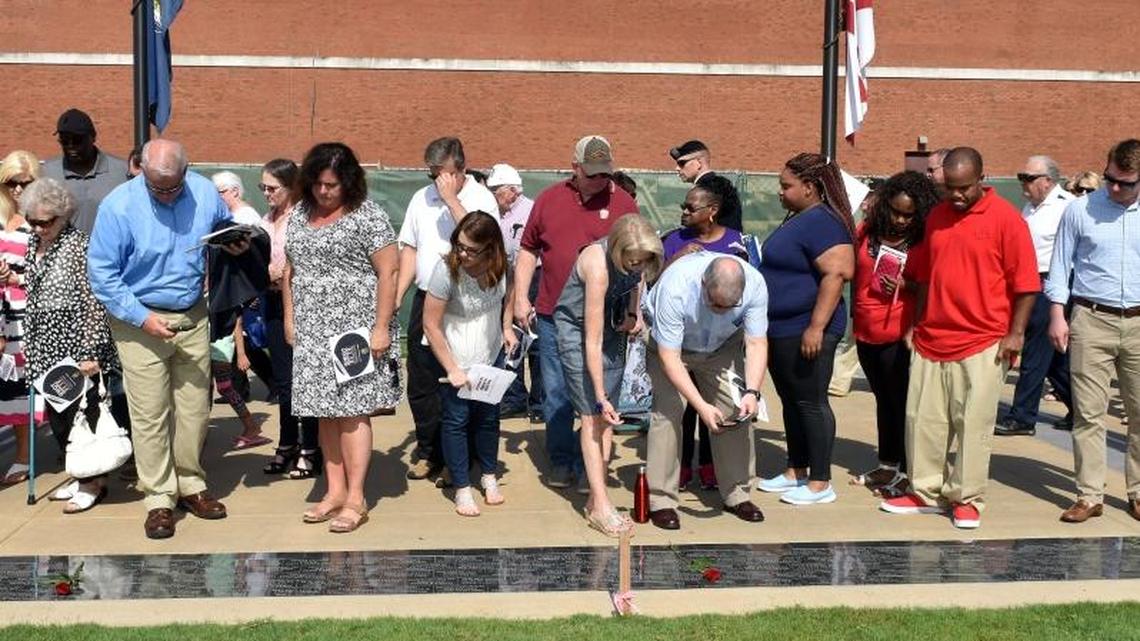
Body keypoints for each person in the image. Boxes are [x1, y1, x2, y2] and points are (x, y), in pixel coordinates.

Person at [88, 139, 245, 539]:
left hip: (192, 312)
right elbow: (102, 274)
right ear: (140, 169)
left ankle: (191, 483)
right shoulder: (118, 206)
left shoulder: (205, 191)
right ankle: (159, 497)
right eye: (158, 187)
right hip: (138, 315)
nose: (167, 193)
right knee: (150, 412)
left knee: (194, 407)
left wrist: (234, 243)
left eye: (174, 185)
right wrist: (142, 319)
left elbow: (221, 233)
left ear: (186, 171)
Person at [880, 147, 1038, 530]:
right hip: (933, 337)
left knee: (972, 423)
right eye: (950, 187)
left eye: (964, 188)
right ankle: (925, 492)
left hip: (984, 340)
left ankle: (966, 497)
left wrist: (1015, 333)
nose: (957, 195)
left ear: (982, 180)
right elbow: (923, 277)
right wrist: (915, 323)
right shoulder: (935, 217)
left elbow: (1027, 285)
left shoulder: (1007, 220)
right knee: (923, 419)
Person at [284, 142, 401, 534]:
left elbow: (390, 272)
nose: (323, 192)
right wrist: (290, 317)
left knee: (352, 412)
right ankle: (333, 491)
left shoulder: (368, 216)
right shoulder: (300, 213)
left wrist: (381, 327)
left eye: (331, 185)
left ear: (348, 182)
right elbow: (290, 270)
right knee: (323, 412)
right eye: (317, 183)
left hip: (353, 329)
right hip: (311, 328)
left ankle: (356, 497)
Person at [513, 135, 638, 491]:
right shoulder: (550, 200)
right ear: (575, 168)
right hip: (555, 314)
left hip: (608, 320)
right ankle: (562, 459)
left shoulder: (623, 203)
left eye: (605, 173)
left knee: (600, 395)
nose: (601, 180)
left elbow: (636, 262)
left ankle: (591, 467)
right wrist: (521, 297)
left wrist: (632, 309)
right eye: (593, 173)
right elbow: (528, 251)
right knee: (557, 393)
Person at [1046, 139, 1140, 524]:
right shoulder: (1081, 209)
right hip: (1091, 317)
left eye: (1125, 183)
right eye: (1110, 179)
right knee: (1088, 413)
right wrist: (1057, 313)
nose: (1114, 188)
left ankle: (1137, 493)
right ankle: (1089, 494)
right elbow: (1059, 264)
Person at [396, 137, 498, 483]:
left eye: (444, 174)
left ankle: (459, 461)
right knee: (422, 382)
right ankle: (429, 452)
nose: (437, 183)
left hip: (467, 303)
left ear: (461, 169)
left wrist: (452, 199)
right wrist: (398, 296)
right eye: (432, 176)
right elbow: (409, 249)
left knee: (462, 383)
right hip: (428, 297)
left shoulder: (481, 198)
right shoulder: (419, 200)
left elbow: (483, 239)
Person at [756, 153, 855, 506]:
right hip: (781, 327)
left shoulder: (824, 222)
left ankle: (820, 481)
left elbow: (838, 273)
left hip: (807, 327)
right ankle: (796, 468)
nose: (780, 192)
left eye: (787, 185)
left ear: (810, 188)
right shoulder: (799, 218)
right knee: (790, 400)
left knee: (811, 402)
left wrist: (816, 326)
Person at [643, 254, 769, 530]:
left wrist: (752, 392)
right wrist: (700, 405)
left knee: (736, 410)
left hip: (721, 348)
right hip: (671, 348)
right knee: (669, 411)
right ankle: (661, 500)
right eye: (714, 303)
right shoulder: (676, 286)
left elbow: (757, 343)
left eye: (729, 306)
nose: (721, 310)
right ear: (702, 283)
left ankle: (738, 494)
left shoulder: (756, 285)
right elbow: (669, 358)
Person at [555, 214, 662, 536]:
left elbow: (636, 283)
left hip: (610, 329)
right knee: (592, 415)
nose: (637, 267)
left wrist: (633, 313)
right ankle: (600, 506)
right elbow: (592, 339)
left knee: (608, 420)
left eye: (643, 261)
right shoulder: (597, 265)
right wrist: (600, 395)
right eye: (632, 261)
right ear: (617, 251)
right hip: (578, 334)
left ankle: (595, 490)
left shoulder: (636, 263)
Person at [20, 178, 120, 513]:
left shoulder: (79, 246)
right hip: (43, 344)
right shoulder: (33, 246)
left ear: (63, 216)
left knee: (83, 414)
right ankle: (81, 476)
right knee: (60, 416)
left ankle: (94, 481)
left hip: (75, 343)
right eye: (32, 221)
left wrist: (91, 350)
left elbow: (93, 300)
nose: (38, 228)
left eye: (45, 222)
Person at [849, 171, 939, 497]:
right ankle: (887, 464)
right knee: (883, 402)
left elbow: (932, 286)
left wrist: (905, 285)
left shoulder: (923, 241)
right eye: (896, 211)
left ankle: (906, 471)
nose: (901, 220)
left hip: (899, 333)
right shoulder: (866, 231)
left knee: (902, 404)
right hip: (865, 328)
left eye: (908, 214)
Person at [422, 212, 515, 516]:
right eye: (459, 245)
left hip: (491, 353)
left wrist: (506, 327)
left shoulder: (501, 265)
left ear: (491, 248)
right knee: (457, 420)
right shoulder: (446, 271)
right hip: (456, 356)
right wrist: (452, 368)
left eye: (470, 249)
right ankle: (462, 487)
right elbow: (431, 325)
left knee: (489, 418)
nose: (461, 253)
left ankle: (488, 477)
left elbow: (508, 296)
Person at [662, 177, 746, 491]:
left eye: (690, 207)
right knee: (683, 406)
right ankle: (682, 465)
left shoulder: (737, 241)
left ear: (711, 211)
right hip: (681, 340)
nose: (683, 212)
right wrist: (677, 258)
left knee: (718, 405)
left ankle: (711, 465)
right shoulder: (673, 240)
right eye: (683, 206)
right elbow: (655, 284)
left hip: (723, 342)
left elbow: (747, 286)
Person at [994, 156, 1075, 436]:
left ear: (1048, 181)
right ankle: (1080, 409)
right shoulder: (1030, 207)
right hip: (1027, 282)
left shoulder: (1067, 207)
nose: (1023, 184)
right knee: (1053, 360)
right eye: (1021, 177)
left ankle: (1022, 417)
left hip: (1049, 283)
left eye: (1028, 178)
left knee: (1034, 352)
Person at [258, 159, 321, 479]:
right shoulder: (265, 219)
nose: (266, 193)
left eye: (272, 188)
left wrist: (283, 274)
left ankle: (311, 448)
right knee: (284, 382)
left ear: (292, 187)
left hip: (299, 305)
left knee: (304, 380)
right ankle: (287, 444)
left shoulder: (305, 218)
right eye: (262, 187)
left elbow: (308, 265)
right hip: (270, 301)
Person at [487, 163, 543, 422]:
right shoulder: (497, 213)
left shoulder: (531, 210)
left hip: (535, 277)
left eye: (496, 190)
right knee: (512, 338)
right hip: (506, 278)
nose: (493, 194)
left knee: (537, 341)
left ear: (512, 190)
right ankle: (514, 397)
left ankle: (541, 402)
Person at [0, 151, 39, 485]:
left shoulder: (40, 221)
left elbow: (49, 272)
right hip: (1, 314)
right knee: (7, 385)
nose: (18, 189)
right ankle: (22, 456)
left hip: (29, 314)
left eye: (25, 183)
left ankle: (26, 457)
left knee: (26, 384)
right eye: (11, 182)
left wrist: (14, 278)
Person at [41, 108, 128, 234]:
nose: (70, 146)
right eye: (64, 141)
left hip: (110, 252)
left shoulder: (122, 171)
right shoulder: (47, 173)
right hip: (66, 252)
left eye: (77, 140)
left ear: (93, 137)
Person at [668, 140, 744, 231]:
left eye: (682, 163)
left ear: (699, 163)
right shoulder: (719, 185)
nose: (677, 168)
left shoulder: (707, 189)